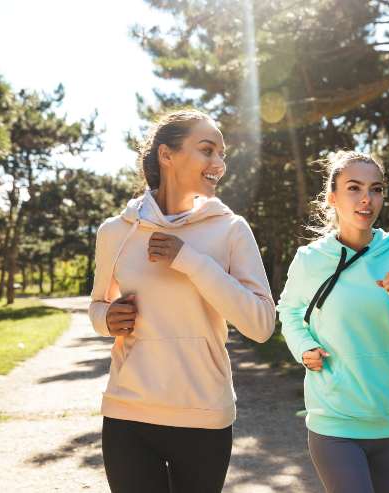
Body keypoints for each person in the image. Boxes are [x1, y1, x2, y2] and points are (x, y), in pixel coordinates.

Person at [88, 109, 275, 493]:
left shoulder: (231, 229)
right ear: (166, 155)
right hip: (128, 413)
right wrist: (108, 319)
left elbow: (261, 324)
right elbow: (97, 306)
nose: (219, 164)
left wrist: (190, 261)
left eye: (223, 154)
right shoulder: (115, 231)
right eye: (208, 150)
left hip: (204, 415)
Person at [277, 150, 389, 493]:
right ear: (332, 197)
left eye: (377, 189)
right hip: (334, 419)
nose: (367, 199)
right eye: (354, 188)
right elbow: (289, 311)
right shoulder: (310, 260)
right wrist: (304, 347)